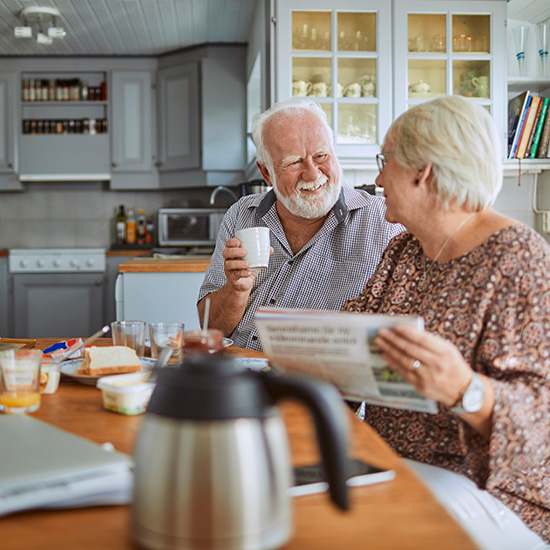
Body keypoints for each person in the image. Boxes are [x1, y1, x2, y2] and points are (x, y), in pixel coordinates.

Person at [342, 95, 550, 549]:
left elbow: (542, 423)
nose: (377, 180)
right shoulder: (405, 251)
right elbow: (350, 333)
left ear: (424, 172)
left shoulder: (519, 260)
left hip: (493, 492)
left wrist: (463, 389)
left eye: (385, 161)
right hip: (392, 463)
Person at [197, 99, 403, 350]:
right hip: (238, 371)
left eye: (321, 156)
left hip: (318, 381)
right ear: (266, 173)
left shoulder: (385, 222)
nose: (313, 174)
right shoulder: (242, 214)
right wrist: (236, 289)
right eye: (294, 162)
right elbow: (211, 329)